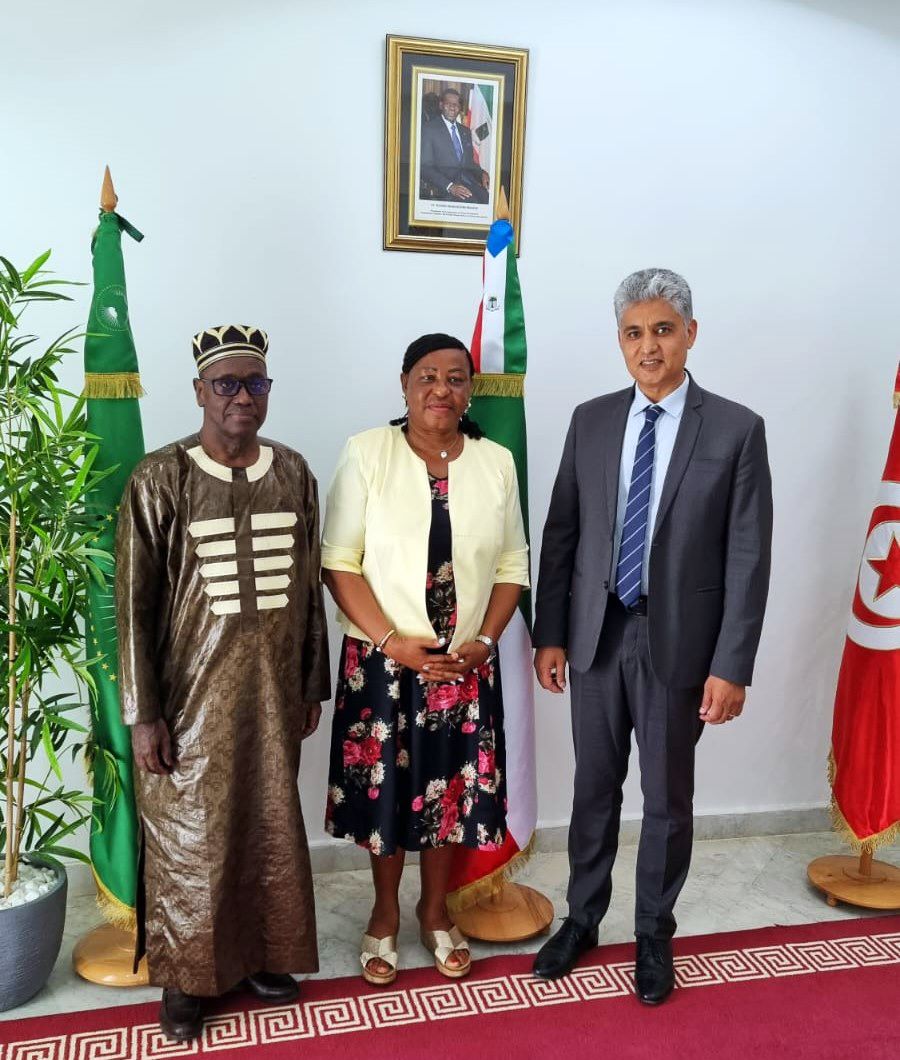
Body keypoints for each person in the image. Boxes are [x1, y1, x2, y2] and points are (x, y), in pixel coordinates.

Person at [531, 269, 772, 1005]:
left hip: (680, 648)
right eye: (634, 333)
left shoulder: (734, 428)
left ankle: (653, 933)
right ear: (620, 342)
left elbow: (748, 555)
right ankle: (583, 918)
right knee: (593, 786)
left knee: (666, 798)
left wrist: (732, 665)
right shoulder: (592, 420)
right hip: (596, 639)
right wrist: (550, 635)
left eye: (663, 329)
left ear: (690, 333)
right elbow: (563, 531)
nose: (649, 346)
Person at [116, 324, 330, 1041]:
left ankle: (259, 957)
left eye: (256, 384)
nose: (243, 397)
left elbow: (307, 588)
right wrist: (143, 714)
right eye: (228, 384)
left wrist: (311, 682)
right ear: (201, 391)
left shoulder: (294, 471)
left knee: (267, 825)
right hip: (187, 701)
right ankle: (185, 980)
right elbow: (133, 606)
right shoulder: (159, 477)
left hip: (272, 697)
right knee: (191, 839)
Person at [321, 333, 528, 985]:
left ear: (471, 389)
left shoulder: (496, 463)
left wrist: (485, 643)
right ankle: (383, 913)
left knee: (448, 791)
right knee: (386, 795)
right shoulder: (367, 452)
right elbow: (338, 562)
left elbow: (512, 564)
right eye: (429, 376)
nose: (443, 389)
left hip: (463, 665)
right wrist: (392, 642)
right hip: (383, 661)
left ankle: (435, 910)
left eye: (457, 378)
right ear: (404, 383)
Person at [419, 89, 490, 204]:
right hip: (443, 188)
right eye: (448, 103)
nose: (453, 107)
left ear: (460, 108)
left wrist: (481, 173)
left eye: (456, 104)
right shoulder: (429, 129)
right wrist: (450, 186)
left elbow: (469, 163)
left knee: (489, 201)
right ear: (441, 105)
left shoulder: (465, 131)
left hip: (468, 182)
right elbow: (425, 167)